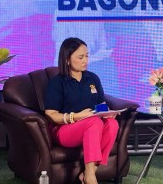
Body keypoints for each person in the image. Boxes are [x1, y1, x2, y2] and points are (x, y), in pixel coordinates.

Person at [44, 37, 119, 184]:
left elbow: (100, 105)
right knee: (94, 122)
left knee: (112, 124)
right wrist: (77, 116)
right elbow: (50, 115)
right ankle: (91, 178)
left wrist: (107, 113)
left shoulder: (92, 78)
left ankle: (87, 174)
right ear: (67, 59)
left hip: (91, 125)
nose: (86, 60)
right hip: (63, 130)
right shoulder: (57, 83)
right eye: (80, 57)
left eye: (87, 56)